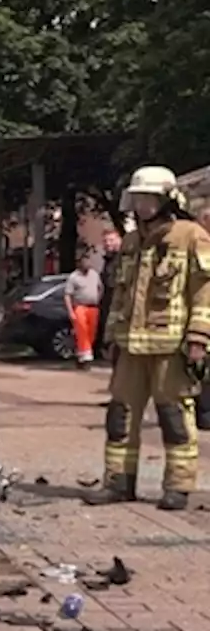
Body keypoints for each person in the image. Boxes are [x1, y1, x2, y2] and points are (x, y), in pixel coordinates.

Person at [85, 166, 210, 511]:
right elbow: (120, 295)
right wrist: (110, 337)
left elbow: (204, 292)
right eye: (137, 198)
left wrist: (199, 337)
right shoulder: (130, 241)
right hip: (130, 345)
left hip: (171, 345)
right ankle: (118, 482)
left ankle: (178, 487)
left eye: (148, 198)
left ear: (167, 199)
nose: (141, 205)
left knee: (174, 416)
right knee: (120, 415)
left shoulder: (191, 236)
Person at [64, 251, 103, 368]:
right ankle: (87, 357)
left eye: (88, 261)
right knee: (82, 331)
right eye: (84, 261)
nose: (87, 263)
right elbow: (67, 295)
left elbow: (100, 288)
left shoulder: (95, 275)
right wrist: (71, 311)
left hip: (93, 307)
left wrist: (98, 298)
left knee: (92, 333)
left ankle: (81, 355)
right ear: (79, 263)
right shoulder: (73, 277)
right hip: (80, 307)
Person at [96, 227, 123, 359]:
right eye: (105, 241)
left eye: (111, 240)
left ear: (119, 240)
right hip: (109, 302)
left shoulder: (124, 258)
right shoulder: (108, 260)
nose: (108, 244)